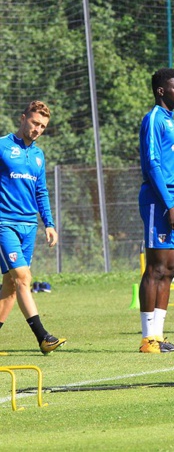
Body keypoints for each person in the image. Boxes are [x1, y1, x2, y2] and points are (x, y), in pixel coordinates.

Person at [0, 100, 65, 354]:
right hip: (5, 224)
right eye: (35, 123)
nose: (38, 129)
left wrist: (49, 223)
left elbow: (41, 191)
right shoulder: (3, 146)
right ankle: (43, 337)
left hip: (29, 226)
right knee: (24, 278)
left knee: (11, 287)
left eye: (43, 126)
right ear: (23, 118)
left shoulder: (38, 155)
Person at [137, 68, 174, 353]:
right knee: (155, 269)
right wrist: (169, 206)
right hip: (157, 200)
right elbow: (153, 165)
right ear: (162, 91)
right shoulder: (154, 119)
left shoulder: (171, 122)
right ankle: (147, 339)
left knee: (170, 269)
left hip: (173, 199)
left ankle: (158, 337)